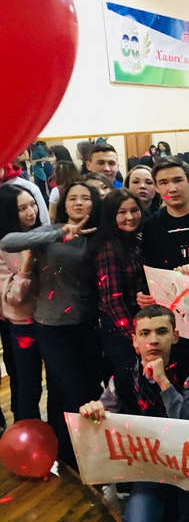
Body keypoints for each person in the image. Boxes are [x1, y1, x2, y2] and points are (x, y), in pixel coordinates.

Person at [1, 181, 103, 466]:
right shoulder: (48, 232)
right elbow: (8, 242)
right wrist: (60, 232)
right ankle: (71, 455)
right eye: (73, 198)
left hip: (87, 322)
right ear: (64, 203)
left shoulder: (99, 235)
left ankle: (72, 450)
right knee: (66, 390)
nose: (79, 202)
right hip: (48, 326)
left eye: (86, 198)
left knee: (77, 389)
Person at [79, 304, 189, 522]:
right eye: (145, 333)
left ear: (175, 336)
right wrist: (93, 412)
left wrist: (163, 382)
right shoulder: (124, 373)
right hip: (150, 463)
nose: (153, 340)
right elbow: (103, 413)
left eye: (162, 331)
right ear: (134, 341)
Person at [0, 185, 42, 422]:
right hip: (23, 325)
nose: (31, 212)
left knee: (56, 382)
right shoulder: (4, 248)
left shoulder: (41, 236)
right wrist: (25, 267)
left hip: (51, 320)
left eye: (32, 204)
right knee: (29, 385)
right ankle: (28, 430)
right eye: (22, 208)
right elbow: (12, 297)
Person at [94, 189, 147, 377]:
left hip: (137, 324)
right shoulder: (108, 247)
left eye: (134, 210)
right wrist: (135, 336)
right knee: (129, 382)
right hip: (120, 328)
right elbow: (112, 300)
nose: (130, 217)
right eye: (122, 212)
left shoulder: (134, 241)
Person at [141, 157, 189, 270]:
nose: (172, 189)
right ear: (156, 187)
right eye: (164, 183)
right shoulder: (151, 226)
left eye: (177, 180)